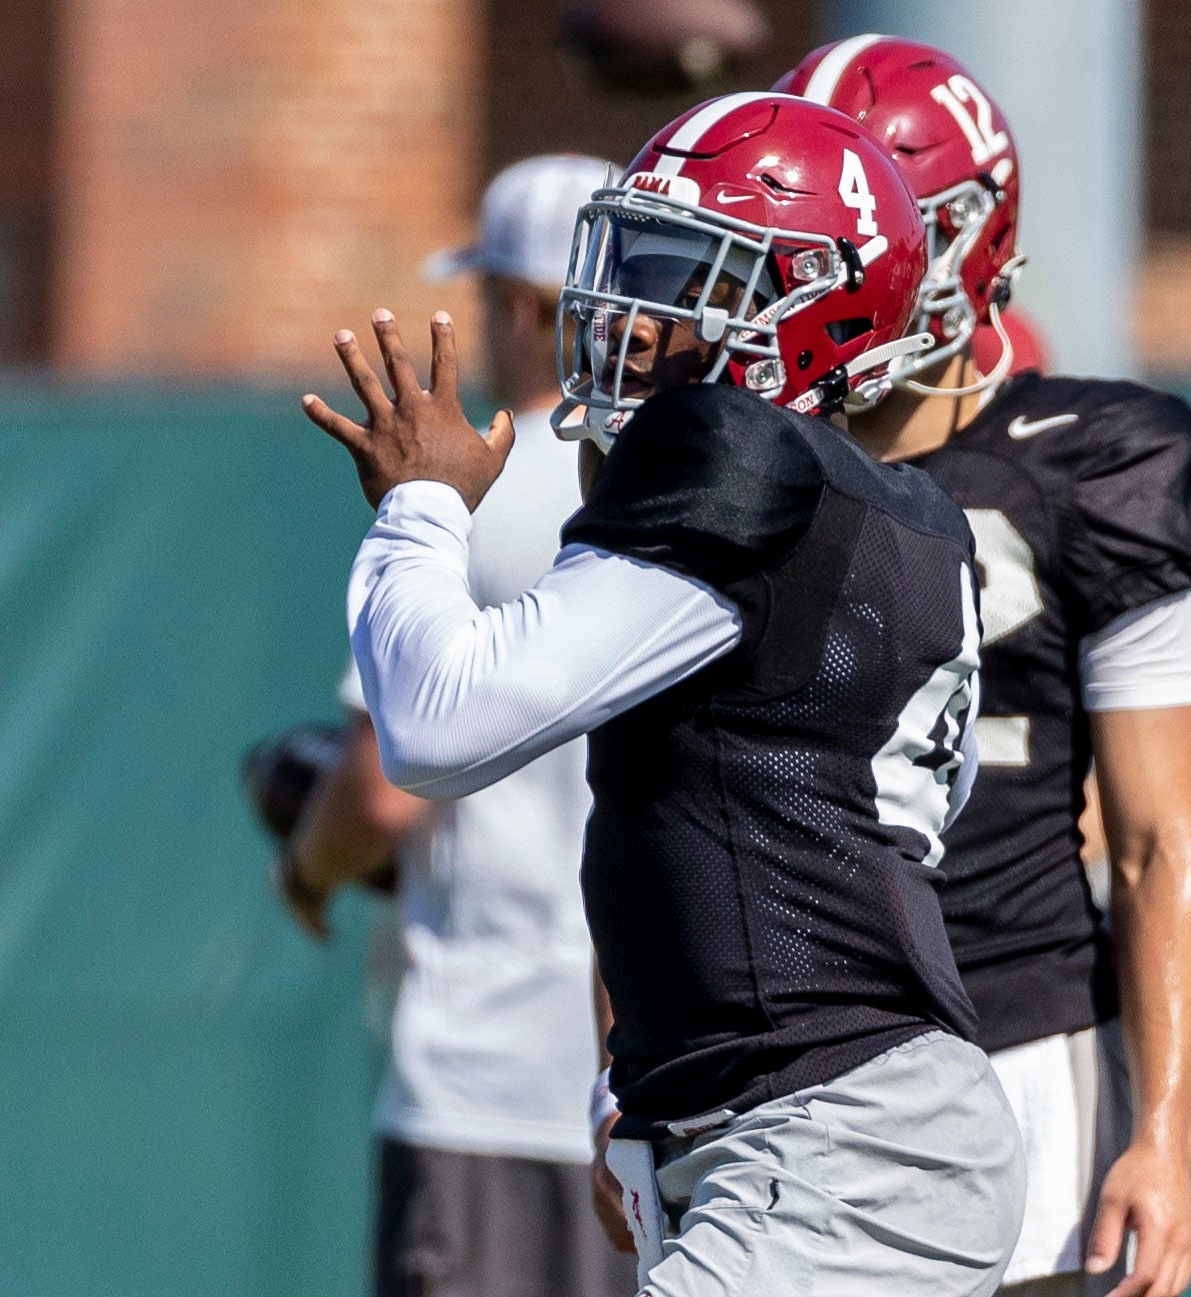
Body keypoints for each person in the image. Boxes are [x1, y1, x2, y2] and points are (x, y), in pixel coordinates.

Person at [302, 92, 1026, 1297]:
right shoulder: (904, 514)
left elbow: (435, 725)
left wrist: (420, 503)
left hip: (830, 1140)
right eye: (634, 259)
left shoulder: (742, 462)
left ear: (805, 307)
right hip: (830, 1126)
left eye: (689, 274)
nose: (631, 317)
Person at [777, 36, 1191, 1297]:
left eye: (886, 218)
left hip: (1029, 1040)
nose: (861, 259)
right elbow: (648, 804)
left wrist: (1162, 1135)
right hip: (788, 1048)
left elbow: (1153, 840)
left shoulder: (1095, 462)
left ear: (970, 233)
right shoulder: (728, 460)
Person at [278, 154, 637, 1297]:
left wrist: (306, 865)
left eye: (488, 296)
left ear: (528, 309)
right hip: (647, 1083)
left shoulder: (467, 488)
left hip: (485, 1074)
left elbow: (380, 787)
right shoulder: (686, 487)